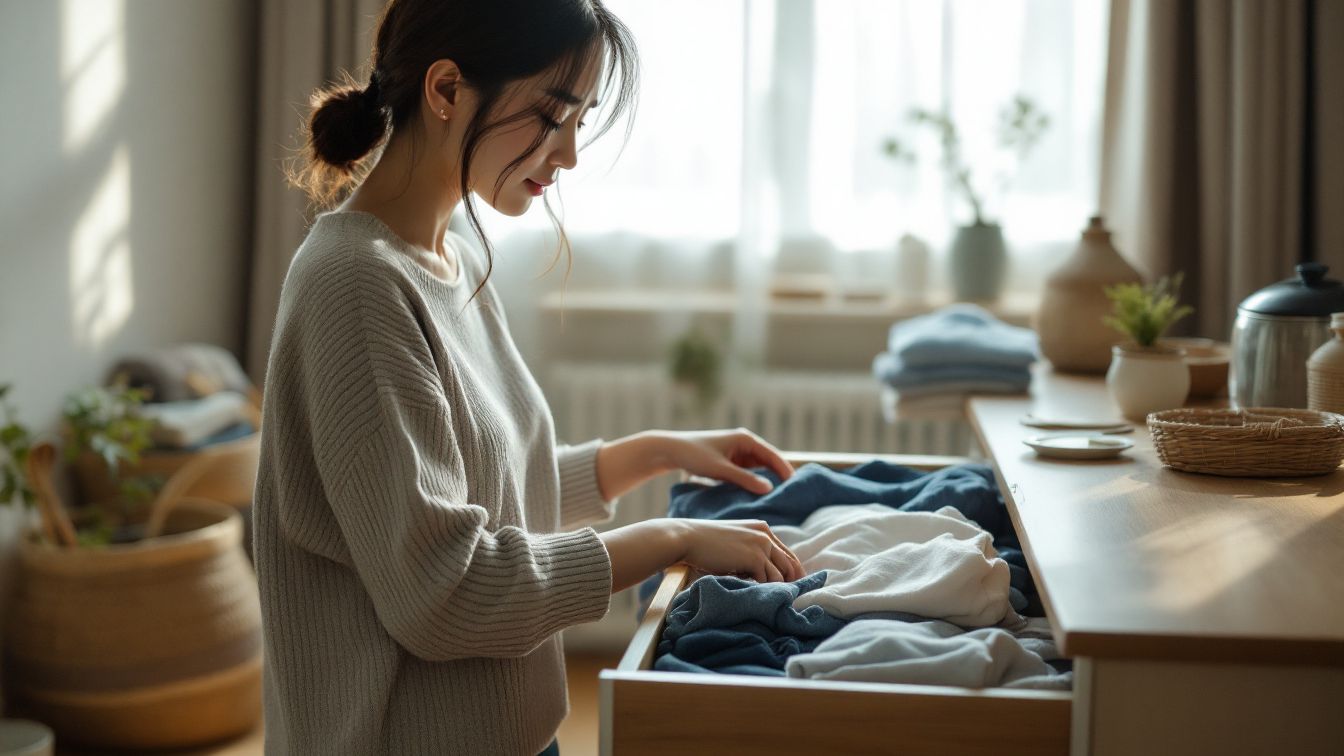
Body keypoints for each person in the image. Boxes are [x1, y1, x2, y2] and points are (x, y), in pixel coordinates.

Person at [253, 1, 804, 753]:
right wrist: (669, 535)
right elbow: (444, 592)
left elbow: (489, 489)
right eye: (553, 116)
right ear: (446, 91)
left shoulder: (455, 256)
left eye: (581, 120)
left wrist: (657, 451)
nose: (570, 153)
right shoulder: (354, 286)